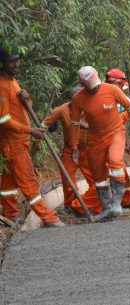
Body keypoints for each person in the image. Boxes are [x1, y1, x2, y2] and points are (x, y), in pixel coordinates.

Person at [70, 66, 130, 221]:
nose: (94, 89)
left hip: (116, 133)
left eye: (96, 86)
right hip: (95, 140)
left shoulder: (112, 90)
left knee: (115, 161)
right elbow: (75, 124)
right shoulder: (79, 99)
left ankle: (117, 204)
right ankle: (107, 208)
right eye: (91, 88)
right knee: (99, 177)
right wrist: (74, 147)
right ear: (83, 85)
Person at [0, 47, 64, 227]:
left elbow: (19, 108)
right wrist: (31, 131)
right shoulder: (2, 85)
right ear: (2, 64)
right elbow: (3, 119)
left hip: (19, 141)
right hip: (13, 143)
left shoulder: (12, 81)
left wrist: (27, 100)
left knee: (8, 184)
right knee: (28, 181)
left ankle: (10, 216)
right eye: (11, 62)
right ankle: (49, 218)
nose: (16, 65)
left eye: (16, 60)